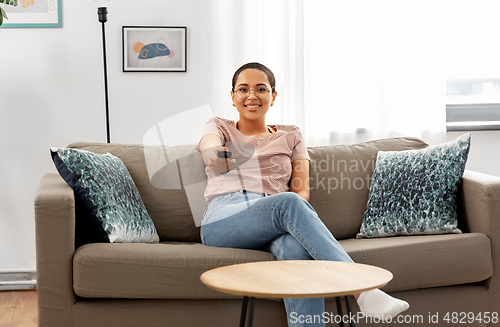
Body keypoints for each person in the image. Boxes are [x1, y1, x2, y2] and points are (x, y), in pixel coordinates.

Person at [196, 62, 409, 326]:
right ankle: (363, 290)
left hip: (273, 218)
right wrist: (216, 156)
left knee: (294, 247)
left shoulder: (291, 135)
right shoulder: (219, 125)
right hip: (225, 215)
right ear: (233, 97)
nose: (252, 96)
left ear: (273, 96)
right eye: (243, 89)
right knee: (288, 202)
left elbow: (301, 190)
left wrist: (281, 213)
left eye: (261, 89)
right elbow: (209, 147)